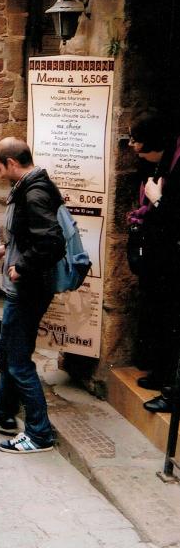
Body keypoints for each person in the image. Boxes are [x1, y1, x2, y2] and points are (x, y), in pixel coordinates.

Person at [0, 138, 65, 454]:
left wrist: (21, 267)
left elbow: (52, 242)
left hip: (28, 289)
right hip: (25, 287)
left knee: (17, 361)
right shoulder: (31, 186)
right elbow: (29, 236)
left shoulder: (35, 193)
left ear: (12, 163)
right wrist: (4, 251)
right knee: (7, 352)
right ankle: (3, 414)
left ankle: (40, 433)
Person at [127, 111, 180, 413]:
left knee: (170, 319)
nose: (132, 145)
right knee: (159, 317)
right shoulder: (166, 159)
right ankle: (161, 375)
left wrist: (157, 199)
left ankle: (171, 390)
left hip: (172, 258)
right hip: (162, 258)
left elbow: (175, 217)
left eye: (136, 140)